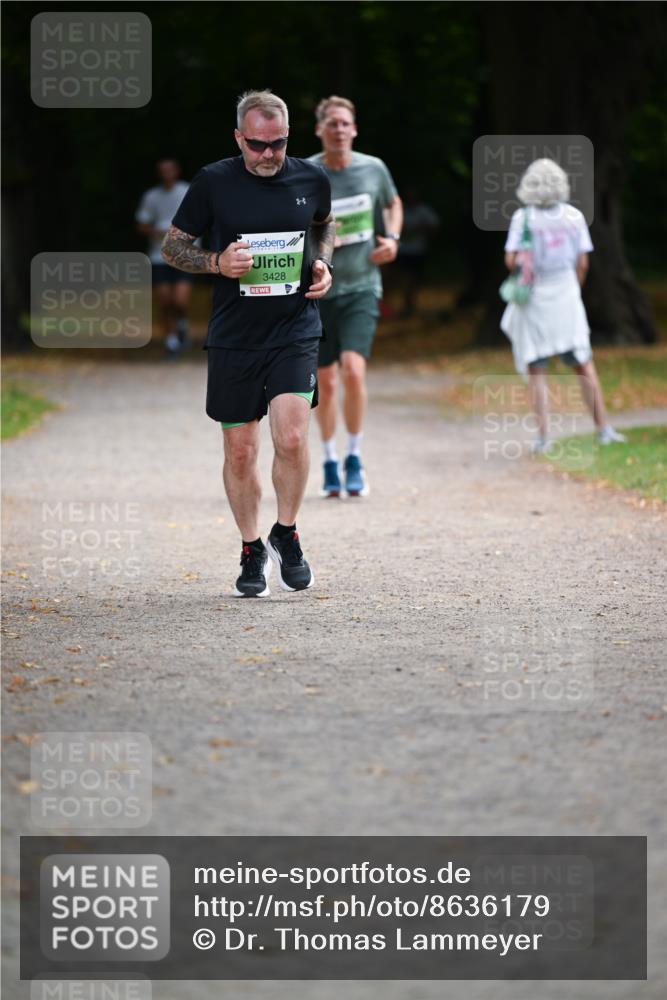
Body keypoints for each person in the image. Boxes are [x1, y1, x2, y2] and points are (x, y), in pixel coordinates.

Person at [161, 90, 335, 597]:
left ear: (289, 137)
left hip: (295, 327)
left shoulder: (310, 177)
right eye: (257, 145)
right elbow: (173, 246)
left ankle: (287, 531)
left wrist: (324, 264)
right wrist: (217, 263)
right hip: (235, 335)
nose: (267, 155)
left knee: (293, 437)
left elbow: (324, 227)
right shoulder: (214, 181)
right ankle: (252, 546)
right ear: (239, 137)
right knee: (240, 450)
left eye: (277, 144)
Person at [309, 96, 403, 497]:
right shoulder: (307, 173)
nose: (339, 130)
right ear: (319, 130)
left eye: (346, 123)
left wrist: (393, 239)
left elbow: (393, 202)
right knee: (326, 384)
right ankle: (329, 459)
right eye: (332, 123)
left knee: (353, 370)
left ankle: (355, 456)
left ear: (355, 129)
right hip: (318, 291)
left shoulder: (373, 168)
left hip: (363, 286)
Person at [500, 158, 627, 453]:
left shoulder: (524, 218)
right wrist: (574, 289)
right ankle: (603, 428)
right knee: (583, 362)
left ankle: (543, 437)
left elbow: (511, 260)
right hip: (567, 294)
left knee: (536, 367)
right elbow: (582, 262)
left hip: (535, 297)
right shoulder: (574, 216)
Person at [136, 159, 193, 358]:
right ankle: (171, 342)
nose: (166, 173)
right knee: (164, 301)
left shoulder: (188, 191)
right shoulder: (151, 196)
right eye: (162, 171)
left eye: (169, 170)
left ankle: (182, 324)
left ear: (176, 171)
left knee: (180, 301)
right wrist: (157, 233)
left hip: (186, 253)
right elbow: (141, 224)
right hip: (158, 255)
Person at [394, 187, 440, 317]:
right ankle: (402, 305)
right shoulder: (399, 210)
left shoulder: (424, 211)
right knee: (401, 278)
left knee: (414, 279)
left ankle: (410, 304)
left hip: (418, 251)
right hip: (402, 250)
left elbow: (435, 226)